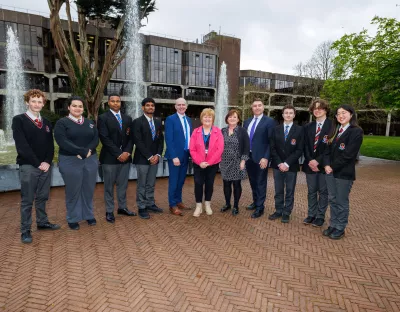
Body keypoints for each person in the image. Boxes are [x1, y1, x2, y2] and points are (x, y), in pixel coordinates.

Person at [12, 89, 61, 244]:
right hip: (29, 166)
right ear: (27, 102)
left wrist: (47, 161)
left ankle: (42, 222)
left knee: (42, 196)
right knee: (27, 199)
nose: (36, 104)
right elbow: (22, 146)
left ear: (43, 103)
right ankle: (25, 230)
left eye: (40, 101)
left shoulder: (46, 122)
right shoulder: (19, 120)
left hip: (45, 166)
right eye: (33, 101)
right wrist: (37, 163)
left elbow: (50, 145)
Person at [54, 96, 99, 230]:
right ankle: (73, 218)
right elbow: (62, 141)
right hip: (70, 160)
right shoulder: (62, 123)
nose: (77, 108)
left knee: (88, 189)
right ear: (69, 107)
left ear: (83, 109)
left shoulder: (90, 123)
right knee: (73, 190)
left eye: (80, 106)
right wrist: (80, 151)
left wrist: (89, 150)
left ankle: (88, 215)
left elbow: (96, 138)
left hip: (90, 159)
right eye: (74, 106)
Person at [323, 104, 363, 240]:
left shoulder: (356, 131)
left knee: (341, 201)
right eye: (338, 113)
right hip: (330, 172)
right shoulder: (334, 131)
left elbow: (349, 155)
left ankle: (340, 227)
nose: (341, 115)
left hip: (344, 174)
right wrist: (327, 165)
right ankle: (333, 224)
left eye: (344, 112)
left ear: (351, 114)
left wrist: (332, 166)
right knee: (332, 200)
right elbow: (326, 151)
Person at [97, 93, 136, 224]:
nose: (115, 103)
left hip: (126, 158)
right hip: (109, 158)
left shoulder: (127, 118)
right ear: (108, 103)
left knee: (123, 185)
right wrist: (119, 153)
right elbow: (104, 138)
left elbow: (131, 138)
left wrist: (127, 152)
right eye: (113, 101)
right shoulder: (103, 118)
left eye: (118, 101)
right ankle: (109, 211)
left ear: (121, 103)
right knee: (108, 186)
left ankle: (122, 208)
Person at [268, 105, 304, 223]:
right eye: (286, 113)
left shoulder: (299, 130)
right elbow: (272, 148)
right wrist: (279, 163)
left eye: (290, 113)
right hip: (277, 165)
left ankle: (287, 212)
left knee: (289, 190)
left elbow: (299, 149)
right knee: (278, 190)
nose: (288, 115)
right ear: (282, 115)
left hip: (291, 166)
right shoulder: (275, 129)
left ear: (294, 115)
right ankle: (278, 210)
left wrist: (287, 163)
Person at [132, 98, 164, 219]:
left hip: (155, 159)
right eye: (148, 105)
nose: (150, 107)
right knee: (142, 184)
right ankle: (141, 207)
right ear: (143, 107)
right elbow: (138, 141)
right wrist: (149, 156)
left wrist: (158, 155)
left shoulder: (157, 122)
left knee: (151, 183)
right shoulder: (137, 122)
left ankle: (150, 203)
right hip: (142, 159)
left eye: (152, 105)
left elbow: (161, 140)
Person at [302, 99, 333, 227]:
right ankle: (311, 214)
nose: (317, 110)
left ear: (325, 110)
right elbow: (305, 146)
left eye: (320, 108)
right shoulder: (307, 127)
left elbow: (330, 148)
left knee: (323, 192)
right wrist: (310, 160)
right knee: (311, 191)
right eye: (315, 108)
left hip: (324, 165)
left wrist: (318, 161)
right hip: (310, 165)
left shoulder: (333, 126)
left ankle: (320, 216)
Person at [243, 99, 275, 218]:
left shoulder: (269, 121)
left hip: (261, 157)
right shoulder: (247, 121)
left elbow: (271, 142)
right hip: (249, 156)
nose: (257, 107)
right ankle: (255, 202)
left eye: (259, 105)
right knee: (252, 181)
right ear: (252, 108)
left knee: (261, 182)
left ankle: (260, 207)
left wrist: (266, 158)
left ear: (263, 107)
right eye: (254, 106)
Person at [189, 108, 224, 217]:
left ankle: (207, 204)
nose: (207, 118)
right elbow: (192, 149)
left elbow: (220, 149)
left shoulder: (218, 131)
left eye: (209, 116)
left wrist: (209, 162)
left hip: (212, 164)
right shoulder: (196, 131)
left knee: (209, 184)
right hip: (198, 164)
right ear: (201, 118)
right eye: (205, 116)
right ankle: (198, 206)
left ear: (213, 119)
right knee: (198, 184)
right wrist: (200, 162)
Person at [164, 98, 193, 216]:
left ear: (186, 106)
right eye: (179, 105)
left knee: (181, 180)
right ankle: (172, 204)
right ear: (175, 107)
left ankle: (178, 200)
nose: (181, 107)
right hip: (175, 156)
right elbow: (169, 139)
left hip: (186, 154)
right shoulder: (170, 119)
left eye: (183, 105)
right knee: (174, 181)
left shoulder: (189, 120)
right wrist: (173, 156)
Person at [220, 109, 250, 216]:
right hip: (224, 162)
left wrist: (243, 161)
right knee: (226, 184)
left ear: (238, 119)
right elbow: (217, 146)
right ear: (227, 119)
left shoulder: (242, 131)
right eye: (230, 117)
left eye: (234, 117)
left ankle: (236, 205)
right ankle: (227, 204)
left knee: (236, 184)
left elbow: (246, 147)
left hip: (237, 162)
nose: (232, 119)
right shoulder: (222, 131)